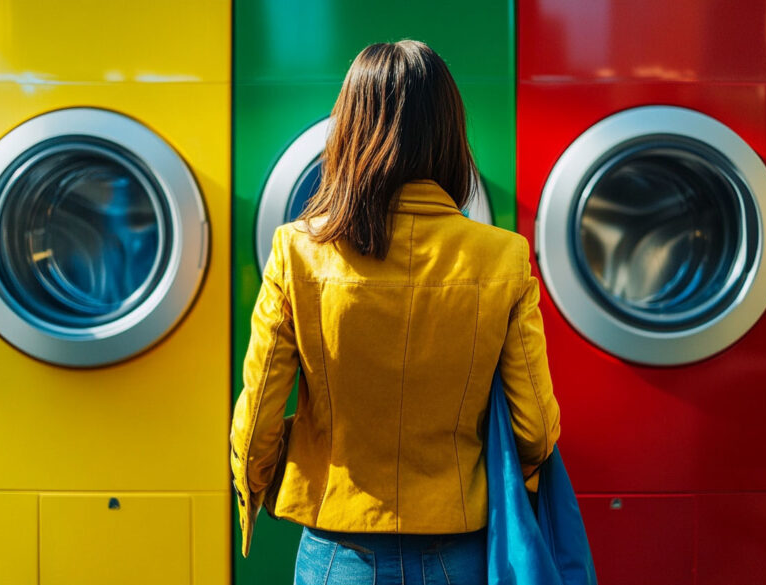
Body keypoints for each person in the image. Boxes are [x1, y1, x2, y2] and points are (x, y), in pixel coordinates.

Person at [230, 40, 561, 585]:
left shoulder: (297, 251)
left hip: (337, 553)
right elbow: (534, 427)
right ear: (450, 135)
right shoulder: (503, 256)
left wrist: (259, 482)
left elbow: (261, 409)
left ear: (348, 133)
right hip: (457, 552)